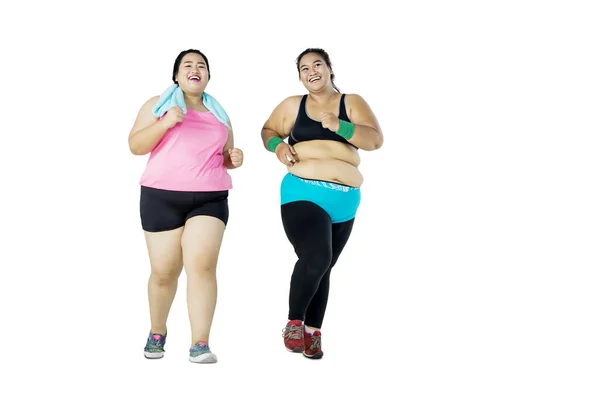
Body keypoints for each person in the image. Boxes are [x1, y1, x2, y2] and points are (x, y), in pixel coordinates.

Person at [260, 48, 384, 359]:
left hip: (345, 201)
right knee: (316, 257)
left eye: (317, 64)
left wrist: (340, 126)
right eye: (304, 68)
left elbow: (374, 141)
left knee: (324, 267)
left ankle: (313, 332)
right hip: (303, 192)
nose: (311, 71)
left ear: (330, 68)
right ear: (300, 76)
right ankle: (294, 322)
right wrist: (277, 146)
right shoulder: (292, 105)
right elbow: (268, 130)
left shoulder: (351, 102)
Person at [128, 49, 243, 364]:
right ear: (177, 76)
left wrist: (233, 159)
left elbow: (224, 155)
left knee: (202, 265)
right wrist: (164, 123)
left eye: (201, 65)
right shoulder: (159, 105)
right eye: (188, 65)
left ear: (207, 76)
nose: (196, 69)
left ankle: (200, 343)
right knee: (164, 272)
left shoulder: (220, 114)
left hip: (210, 196)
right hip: (160, 195)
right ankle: (157, 331)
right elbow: (135, 145)